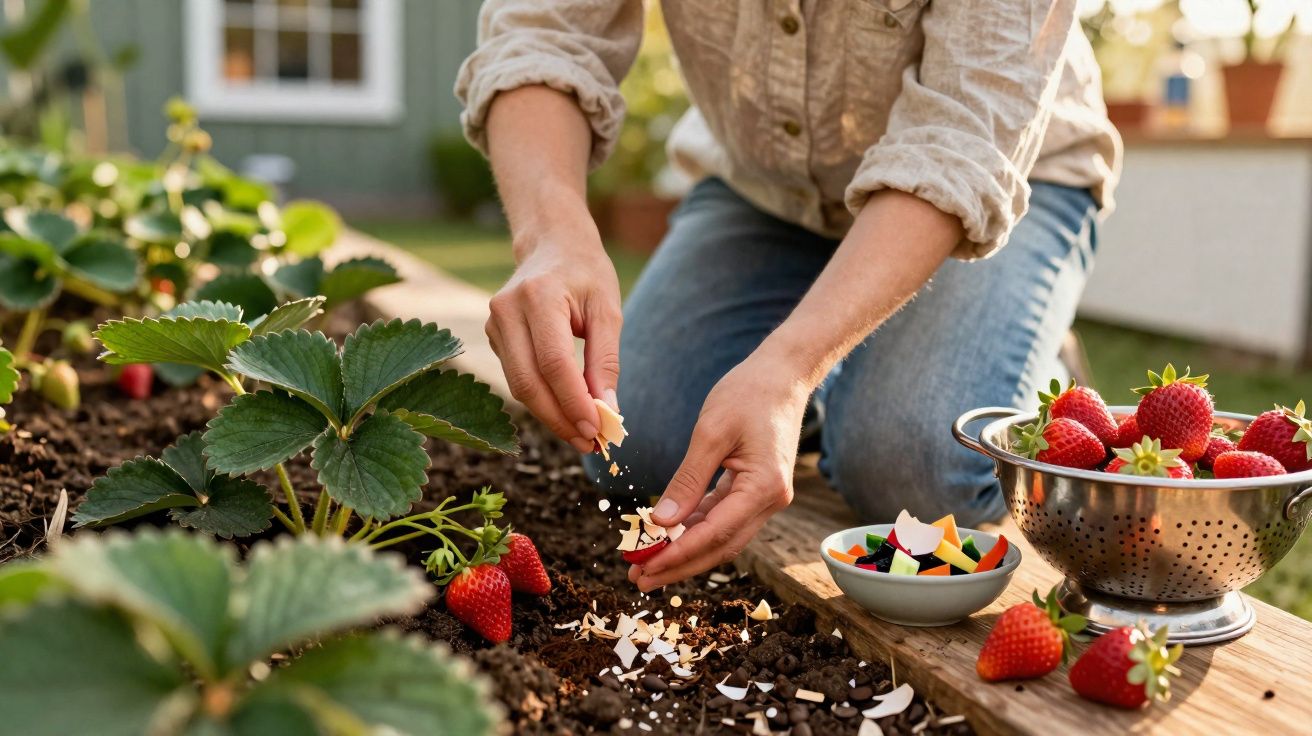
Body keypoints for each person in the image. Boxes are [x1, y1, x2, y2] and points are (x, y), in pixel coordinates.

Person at [456, 1, 1120, 592]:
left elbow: (962, 141)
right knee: (638, 444)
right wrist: (550, 231)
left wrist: (793, 366)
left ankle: (1032, 370)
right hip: (765, 191)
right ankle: (835, 369)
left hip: (993, 184)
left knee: (914, 469)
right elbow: (542, 35)